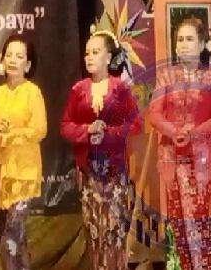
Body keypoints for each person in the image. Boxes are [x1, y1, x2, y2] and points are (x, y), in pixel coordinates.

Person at [149, 17, 211, 270]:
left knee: (197, 216)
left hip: (201, 157)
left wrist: (194, 132)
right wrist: (173, 131)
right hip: (171, 155)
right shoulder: (165, 76)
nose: (184, 44)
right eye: (180, 40)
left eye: (190, 39)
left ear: (203, 44)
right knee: (178, 219)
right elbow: (154, 114)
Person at [61, 28, 142, 269]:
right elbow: (66, 126)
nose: (89, 57)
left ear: (108, 57)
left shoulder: (120, 89)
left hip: (115, 174)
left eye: (95, 52)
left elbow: (136, 123)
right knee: (95, 233)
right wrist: (87, 130)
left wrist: (108, 133)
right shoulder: (79, 90)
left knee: (114, 232)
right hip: (89, 175)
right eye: (87, 53)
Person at [0, 34, 46, 270]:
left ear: (27, 65)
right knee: (6, 237)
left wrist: (8, 136)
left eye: (19, 56)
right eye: (9, 55)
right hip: (0, 175)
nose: (12, 60)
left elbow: (39, 130)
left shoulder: (32, 92)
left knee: (11, 235)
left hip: (23, 174)